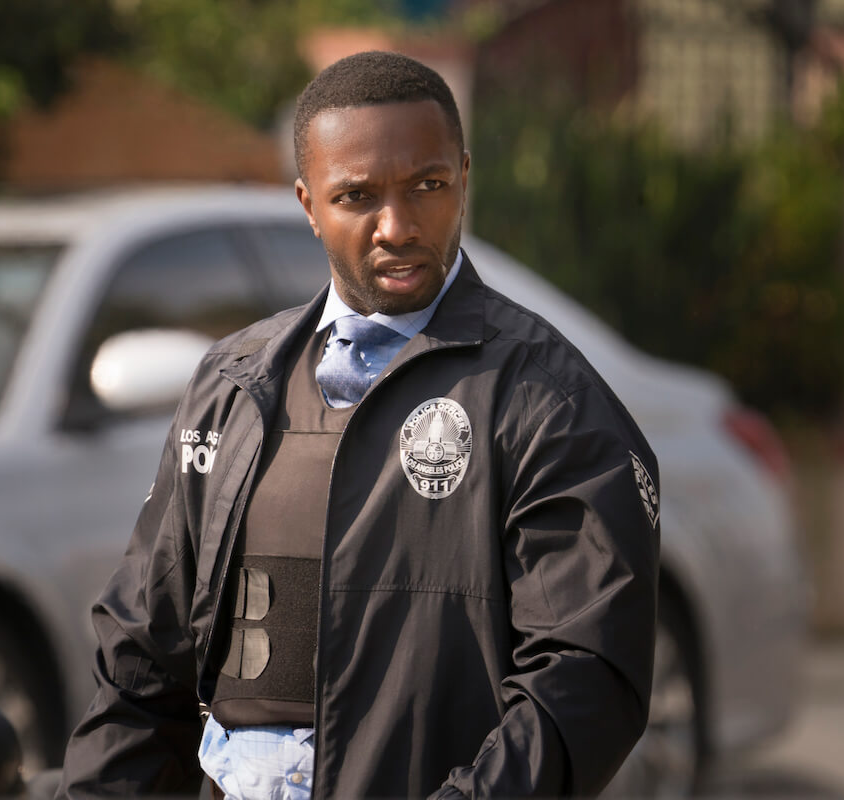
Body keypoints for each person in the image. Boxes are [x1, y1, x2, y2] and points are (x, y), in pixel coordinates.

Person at [57, 50, 660, 799]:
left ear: (464, 179)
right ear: (309, 205)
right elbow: (142, 664)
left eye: (427, 186)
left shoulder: (550, 403)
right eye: (357, 197)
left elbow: (584, 681)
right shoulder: (231, 387)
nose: (396, 227)